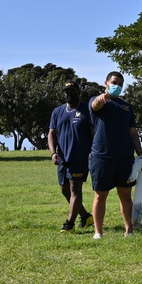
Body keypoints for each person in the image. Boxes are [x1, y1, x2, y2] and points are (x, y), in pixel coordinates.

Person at [89, 72, 142, 239]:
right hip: (102, 157)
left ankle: (129, 230)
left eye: (120, 84)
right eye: (114, 82)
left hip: (124, 157)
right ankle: (98, 232)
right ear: (106, 83)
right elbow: (95, 106)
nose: (117, 86)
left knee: (126, 195)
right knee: (100, 195)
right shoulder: (99, 101)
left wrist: (140, 155)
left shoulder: (126, 106)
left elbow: (133, 132)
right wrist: (103, 97)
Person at [48, 79, 93, 232]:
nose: (69, 94)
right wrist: (53, 153)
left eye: (72, 91)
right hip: (62, 158)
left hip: (79, 157)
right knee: (64, 190)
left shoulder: (87, 110)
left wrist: (93, 151)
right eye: (66, 92)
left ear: (78, 92)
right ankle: (86, 216)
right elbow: (51, 133)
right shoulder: (58, 111)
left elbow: (94, 133)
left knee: (75, 190)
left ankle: (70, 224)